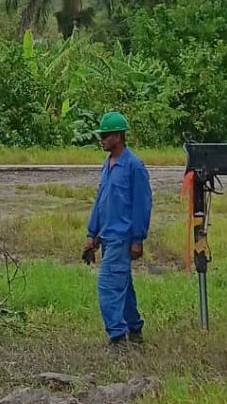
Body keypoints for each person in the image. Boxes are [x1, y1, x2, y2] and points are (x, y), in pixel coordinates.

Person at [81, 111, 153, 348]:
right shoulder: (108, 165)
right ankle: (134, 331)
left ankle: (117, 338)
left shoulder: (133, 166)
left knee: (108, 285)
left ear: (119, 136)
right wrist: (92, 234)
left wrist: (138, 239)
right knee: (123, 285)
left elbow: (142, 205)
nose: (101, 139)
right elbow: (101, 201)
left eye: (106, 135)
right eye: (101, 135)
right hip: (107, 236)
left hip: (123, 237)